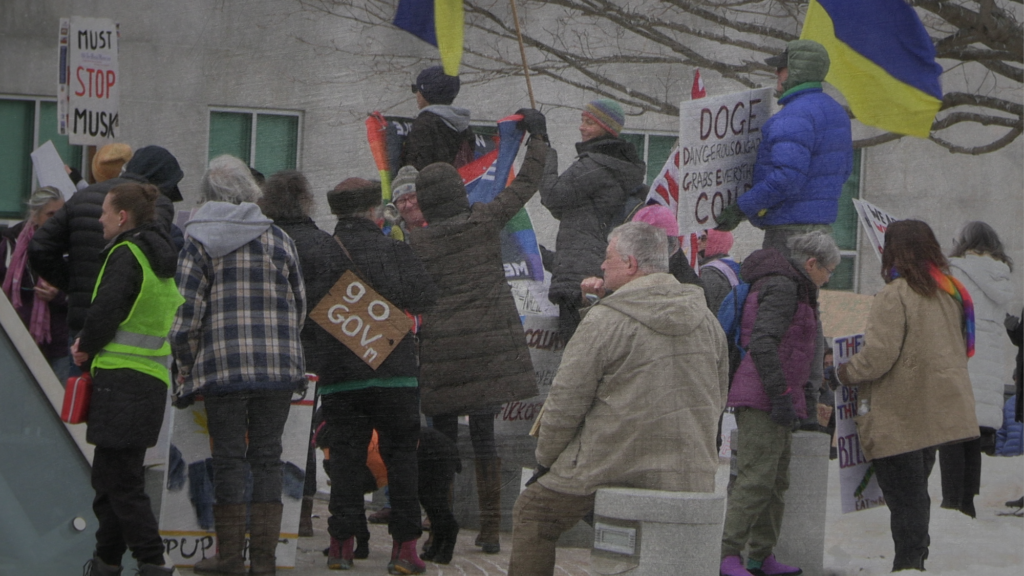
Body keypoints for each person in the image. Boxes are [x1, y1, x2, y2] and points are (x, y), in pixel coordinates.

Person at [507, 222, 729, 575]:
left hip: (614, 464)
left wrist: (546, 461)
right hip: (688, 472)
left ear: (630, 264)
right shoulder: (706, 319)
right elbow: (718, 398)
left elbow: (565, 403)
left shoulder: (605, 321)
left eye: (607, 258)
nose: (600, 266)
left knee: (533, 511)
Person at [408, 109, 548, 556]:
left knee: (441, 441)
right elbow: (526, 185)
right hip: (489, 346)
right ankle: (490, 530)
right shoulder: (485, 221)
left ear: (426, 204)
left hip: (442, 353)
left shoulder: (416, 243)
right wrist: (539, 139)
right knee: (485, 437)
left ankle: (441, 528)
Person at [170, 155, 306, 576]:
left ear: (207, 196)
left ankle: (229, 558)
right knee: (268, 457)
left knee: (228, 458)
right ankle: (264, 562)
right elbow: (299, 305)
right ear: (251, 192)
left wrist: (186, 367)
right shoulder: (279, 238)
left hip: (222, 370)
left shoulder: (197, 242)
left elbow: (185, 317)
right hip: (278, 370)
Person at [835, 220, 978, 571]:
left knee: (907, 499)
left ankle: (909, 565)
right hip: (937, 409)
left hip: (900, 411)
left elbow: (878, 358)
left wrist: (843, 372)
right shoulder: (952, 292)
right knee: (916, 493)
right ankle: (915, 561)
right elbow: (966, 347)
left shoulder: (895, 294)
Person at [320, 177, 437, 574]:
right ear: (373, 212)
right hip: (395, 373)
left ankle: (340, 547)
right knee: (403, 458)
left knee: (346, 459)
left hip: (340, 374)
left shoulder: (324, 253)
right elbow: (424, 298)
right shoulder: (396, 249)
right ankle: (404, 551)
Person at [73, 182, 183, 576]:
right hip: (150, 380)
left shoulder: (125, 254)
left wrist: (85, 345)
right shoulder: (161, 258)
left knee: (119, 484)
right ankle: (107, 561)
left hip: (119, 381)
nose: (99, 219)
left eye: (104, 212)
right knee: (115, 480)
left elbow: (106, 310)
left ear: (122, 217)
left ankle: (152, 562)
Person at [719, 231, 839, 576]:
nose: (828, 279)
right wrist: (782, 395)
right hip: (763, 397)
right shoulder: (784, 287)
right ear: (812, 263)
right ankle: (727, 555)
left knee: (776, 482)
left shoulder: (800, 288)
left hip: (780, 397)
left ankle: (761, 554)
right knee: (756, 478)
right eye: (828, 270)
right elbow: (764, 342)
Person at [257, 170, 353, 538]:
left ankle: (272, 512)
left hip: (270, 351)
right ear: (306, 199)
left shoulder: (265, 241)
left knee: (269, 434)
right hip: (317, 354)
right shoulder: (324, 243)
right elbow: (344, 302)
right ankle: (303, 511)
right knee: (305, 434)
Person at [29, 145, 183, 370]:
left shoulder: (83, 196)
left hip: (82, 321)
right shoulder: (155, 204)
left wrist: (75, 283)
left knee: (79, 397)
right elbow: (158, 258)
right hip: (129, 330)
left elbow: (39, 248)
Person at [716, 40, 853, 256]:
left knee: (780, 286)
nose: (776, 72)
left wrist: (741, 208)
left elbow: (786, 179)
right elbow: (844, 171)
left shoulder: (793, 115)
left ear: (796, 71)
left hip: (789, 235)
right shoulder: (836, 112)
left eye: (782, 67)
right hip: (822, 233)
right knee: (805, 289)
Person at [539, 98, 646, 341]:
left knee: (576, 357)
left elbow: (553, 197)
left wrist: (544, 152)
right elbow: (565, 209)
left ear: (606, 129)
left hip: (578, 279)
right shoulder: (618, 165)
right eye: (582, 120)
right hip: (599, 272)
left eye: (589, 123)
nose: (582, 127)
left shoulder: (594, 165)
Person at [938, 221, 1016, 517]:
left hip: (962, 356)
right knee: (972, 432)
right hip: (990, 365)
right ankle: (967, 499)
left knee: (952, 432)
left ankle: (951, 500)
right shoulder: (1001, 275)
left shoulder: (956, 271)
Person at [1, 186, 69, 379]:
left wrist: (58, 295)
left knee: (57, 403)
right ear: (35, 215)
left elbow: (84, 293)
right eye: (50, 214)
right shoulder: (10, 244)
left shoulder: (71, 245)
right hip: (18, 340)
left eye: (61, 214)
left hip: (57, 342)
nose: (57, 220)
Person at [401, 65, 474, 170]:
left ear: (426, 92)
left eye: (416, 89)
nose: (416, 94)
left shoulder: (424, 125)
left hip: (432, 185)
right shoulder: (465, 126)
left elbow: (416, 169)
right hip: (459, 183)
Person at [699, 229, 741, 313]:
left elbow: (704, 308)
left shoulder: (710, 272)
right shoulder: (732, 265)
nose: (698, 241)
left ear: (715, 241)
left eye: (703, 238)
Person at [391, 165, 427, 233]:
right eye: (401, 200)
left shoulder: (442, 228)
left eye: (413, 196)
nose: (408, 205)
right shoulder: (392, 236)